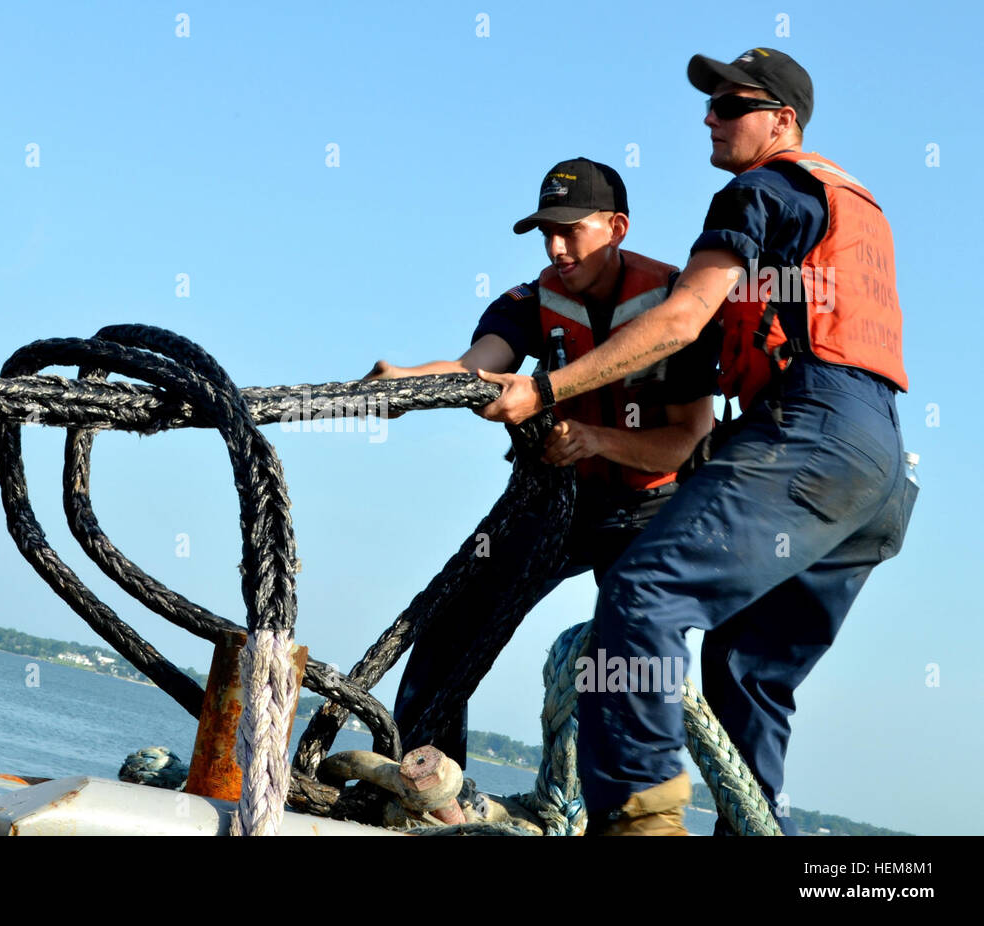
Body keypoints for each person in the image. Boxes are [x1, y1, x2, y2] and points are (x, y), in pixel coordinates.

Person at [477, 49, 915, 835]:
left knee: (642, 595)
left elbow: (683, 318)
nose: (708, 118)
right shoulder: (852, 204)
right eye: (708, 105)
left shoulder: (760, 189)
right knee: (749, 673)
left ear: (782, 121)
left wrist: (543, 391)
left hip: (808, 430)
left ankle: (641, 819)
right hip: (878, 472)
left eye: (730, 106)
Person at [366, 158, 719, 767]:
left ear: (617, 227)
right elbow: (475, 366)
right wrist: (406, 383)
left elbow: (687, 437)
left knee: (629, 650)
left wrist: (596, 439)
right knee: (453, 616)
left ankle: (622, 813)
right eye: (545, 233)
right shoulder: (532, 300)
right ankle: (422, 785)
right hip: (559, 497)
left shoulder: (672, 307)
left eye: (570, 230)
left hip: (653, 506)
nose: (555, 247)